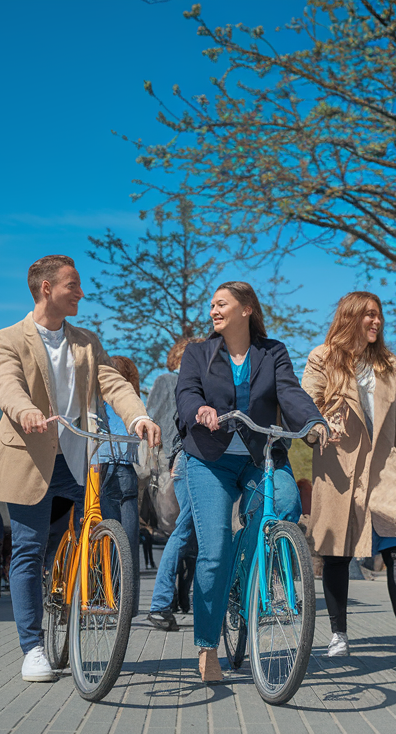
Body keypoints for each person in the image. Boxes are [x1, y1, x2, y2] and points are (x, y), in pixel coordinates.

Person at [0, 254, 159, 683]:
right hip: (27, 457)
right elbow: (6, 383)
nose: (81, 293)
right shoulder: (8, 338)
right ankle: (32, 648)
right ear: (47, 288)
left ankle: (67, 591)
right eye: (72, 285)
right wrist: (25, 410)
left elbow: (113, 383)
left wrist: (137, 416)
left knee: (69, 539)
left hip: (75, 459)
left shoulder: (85, 341)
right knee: (28, 550)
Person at [176, 281, 323, 682]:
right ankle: (207, 646)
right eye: (211, 305)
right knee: (213, 550)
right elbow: (186, 393)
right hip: (210, 460)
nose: (213, 311)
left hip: (263, 457)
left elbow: (290, 395)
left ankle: (242, 572)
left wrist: (313, 423)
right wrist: (200, 409)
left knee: (288, 504)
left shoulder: (272, 352)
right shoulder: (198, 353)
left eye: (221, 303)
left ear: (246, 309)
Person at [302, 291, 396, 662]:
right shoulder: (323, 357)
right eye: (369, 315)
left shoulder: (389, 363)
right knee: (337, 554)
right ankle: (339, 635)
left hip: (384, 466)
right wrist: (319, 424)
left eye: (379, 316)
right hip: (339, 467)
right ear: (350, 316)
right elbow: (304, 403)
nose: (376, 321)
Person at [145, 337, 200, 632]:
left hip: (184, 457)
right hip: (179, 457)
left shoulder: (201, 381)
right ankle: (162, 602)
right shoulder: (167, 379)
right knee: (185, 528)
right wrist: (171, 449)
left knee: (190, 530)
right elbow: (152, 416)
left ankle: (177, 599)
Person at [97, 355, 145, 610]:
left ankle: (106, 595)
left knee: (104, 536)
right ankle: (130, 603)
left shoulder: (100, 402)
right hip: (128, 471)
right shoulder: (136, 402)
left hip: (102, 469)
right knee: (128, 539)